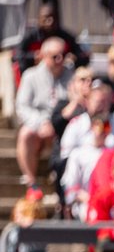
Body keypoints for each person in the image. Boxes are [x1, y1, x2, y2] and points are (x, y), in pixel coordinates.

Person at [15, 38, 71, 196]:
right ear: (44, 56)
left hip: (62, 127)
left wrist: (55, 124)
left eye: (63, 55)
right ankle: (32, 184)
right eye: (55, 56)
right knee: (25, 134)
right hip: (38, 126)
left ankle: (62, 184)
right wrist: (42, 122)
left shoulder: (71, 75)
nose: (60, 60)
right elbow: (22, 107)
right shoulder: (30, 76)